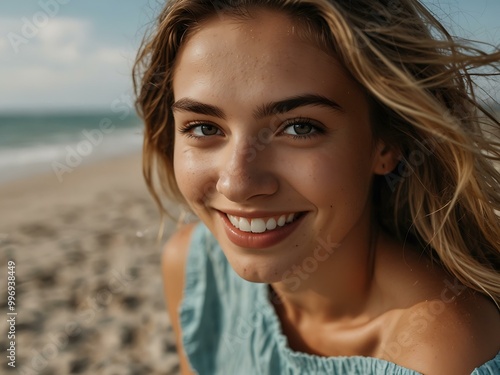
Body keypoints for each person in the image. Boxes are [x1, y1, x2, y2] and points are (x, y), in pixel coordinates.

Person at [133, 0, 500, 374]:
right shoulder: (194, 268)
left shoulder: (439, 351)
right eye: (204, 128)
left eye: (299, 127)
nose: (238, 183)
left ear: (386, 144)